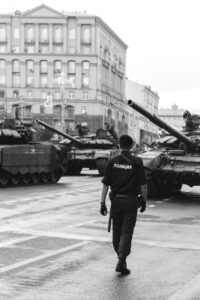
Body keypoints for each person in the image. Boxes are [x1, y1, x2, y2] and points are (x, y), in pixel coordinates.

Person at [100, 134, 147, 275]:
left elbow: (105, 184)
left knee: (117, 231)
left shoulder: (112, 161)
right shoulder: (137, 161)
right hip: (131, 202)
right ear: (131, 146)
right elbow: (143, 184)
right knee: (127, 232)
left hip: (116, 202)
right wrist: (144, 200)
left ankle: (121, 259)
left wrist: (102, 203)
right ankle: (121, 260)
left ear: (119, 145)